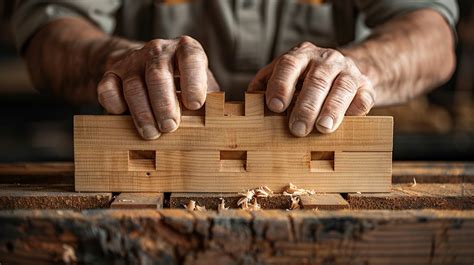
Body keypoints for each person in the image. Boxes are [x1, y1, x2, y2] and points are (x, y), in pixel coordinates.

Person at [13, 0, 458, 140]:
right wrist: (113, 61)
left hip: (307, 161)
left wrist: (360, 68)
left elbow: (432, 34)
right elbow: (49, 32)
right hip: (155, 155)